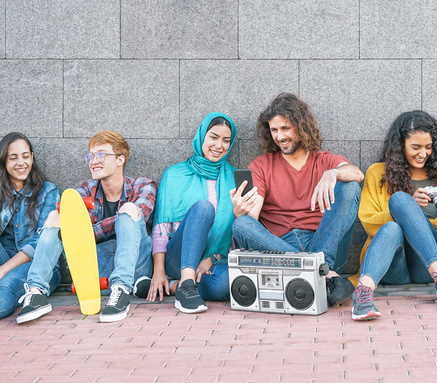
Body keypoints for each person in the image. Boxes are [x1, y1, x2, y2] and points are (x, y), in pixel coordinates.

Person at [230, 92, 362, 307]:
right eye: (274, 130)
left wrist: (333, 173)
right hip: (279, 246)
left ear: (302, 127)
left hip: (323, 241)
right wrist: (240, 211)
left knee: (349, 186)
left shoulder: (325, 159)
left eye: (285, 128)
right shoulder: (262, 165)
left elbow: (357, 174)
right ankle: (323, 274)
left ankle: (320, 265)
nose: (279, 136)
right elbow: (252, 217)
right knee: (241, 223)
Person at [17, 131, 156, 323]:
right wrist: (70, 225)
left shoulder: (143, 186)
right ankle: (36, 292)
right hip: (95, 268)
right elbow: (71, 224)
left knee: (129, 210)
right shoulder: (84, 190)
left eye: (101, 155)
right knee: (56, 215)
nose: (93, 161)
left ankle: (121, 291)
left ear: (120, 159)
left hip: (135, 269)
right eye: (90, 156)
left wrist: (86, 230)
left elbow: (136, 217)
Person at [352, 111, 437, 320]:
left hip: (432, 263)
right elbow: (369, 224)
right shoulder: (377, 173)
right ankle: (363, 293)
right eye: (415, 147)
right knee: (397, 208)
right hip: (391, 264)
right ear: (400, 146)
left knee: (400, 202)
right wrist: (407, 206)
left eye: (428, 147)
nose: (422, 154)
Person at [141, 112, 236, 314]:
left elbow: (231, 233)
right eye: (213, 137)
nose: (219, 146)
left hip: (212, 261)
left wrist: (209, 259)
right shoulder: (174, 174)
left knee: (224, 283)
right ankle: (183, 283)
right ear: (202, 136)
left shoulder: (233, 180)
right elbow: (161, 228)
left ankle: (176, 287)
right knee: (203, 208)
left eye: (226, 141)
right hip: (177, 256)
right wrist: (158, 272)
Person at [0, 133, 60, 320]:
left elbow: (40, 242)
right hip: (4, 256)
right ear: (4, 161)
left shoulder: (47, 191)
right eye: (13, 157)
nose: (21, 162)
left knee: (7, 286)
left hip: (37, 265)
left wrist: (3, 270)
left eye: (25, 156)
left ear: (32, 158)